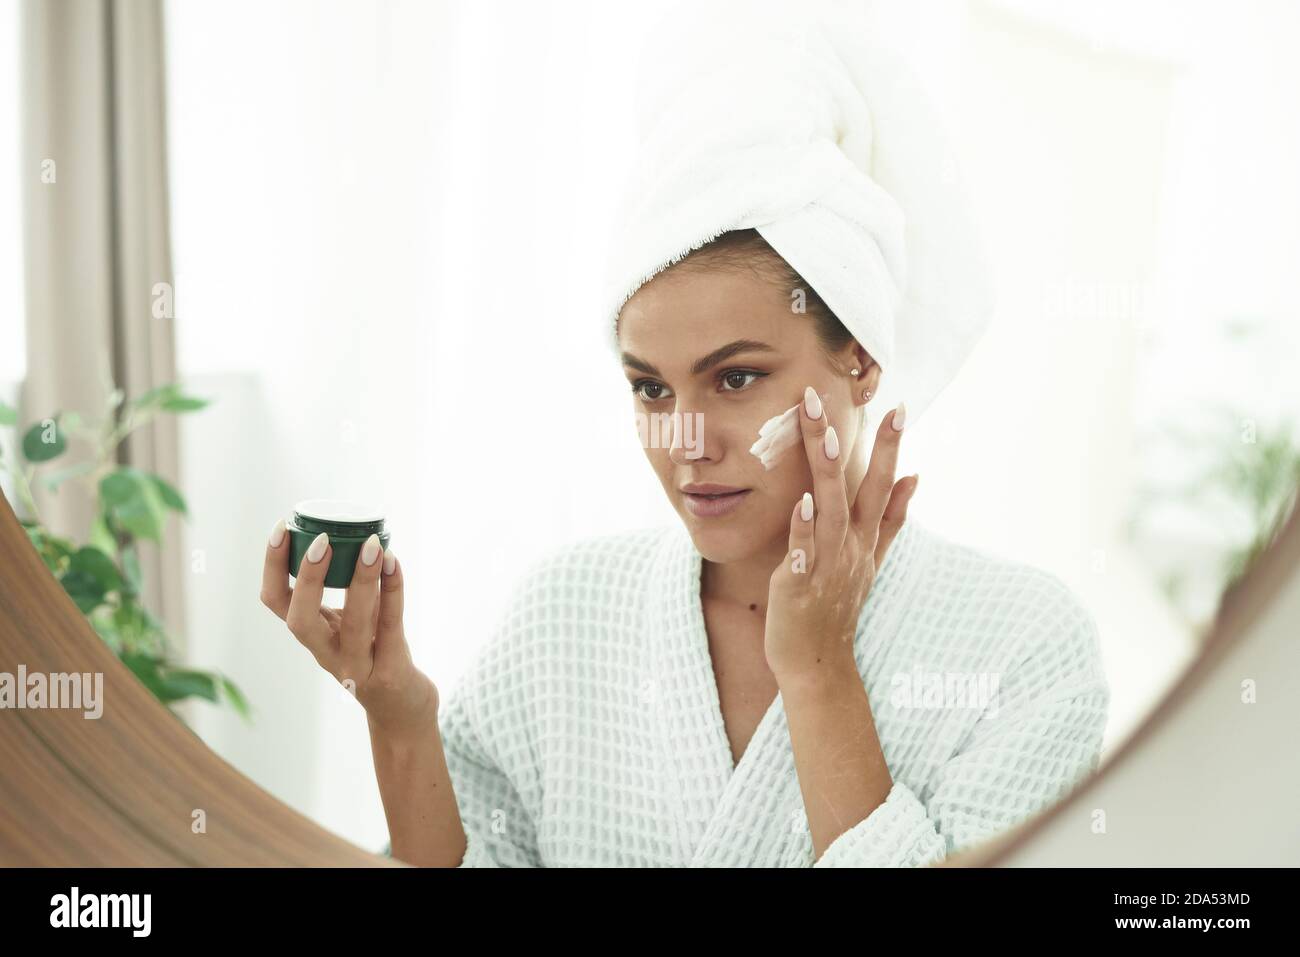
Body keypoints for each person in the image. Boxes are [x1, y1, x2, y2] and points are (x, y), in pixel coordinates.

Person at [259, 2, 1109, 867]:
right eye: (650, 388)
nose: (686, 441)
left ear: (860, 358)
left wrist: (819, 675)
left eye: (736, 378)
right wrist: (396, 708)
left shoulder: (1024, 646)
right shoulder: (568, 613)